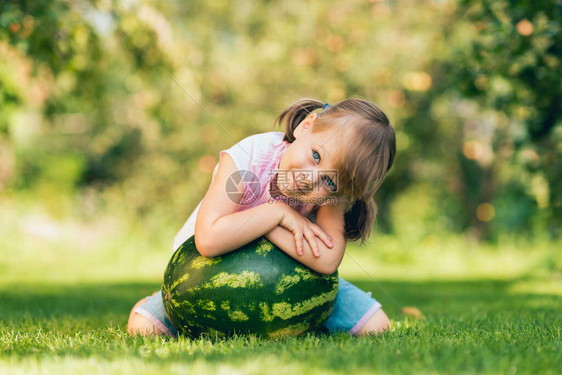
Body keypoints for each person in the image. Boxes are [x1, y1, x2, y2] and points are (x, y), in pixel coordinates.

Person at [127, 98, 396, 337]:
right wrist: (275, 213)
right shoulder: (248, 159)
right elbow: (208, 240)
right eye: (315, 155)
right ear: (307, 125)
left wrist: (271, 227)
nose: (309, 179)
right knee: (143, 329)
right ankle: (154, 301)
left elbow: (327, 260)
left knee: (378, 327)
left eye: (330, 181)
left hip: (292, 280)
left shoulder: (333, 196)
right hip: (211, 271)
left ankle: (306, 318)